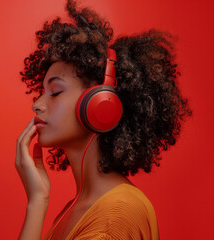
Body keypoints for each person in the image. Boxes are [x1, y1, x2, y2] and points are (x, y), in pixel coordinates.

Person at [15, 0, 192, 239]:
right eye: (41, 92)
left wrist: (36, 205)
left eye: (55, 92)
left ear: (101, 105)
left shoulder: (115, 217)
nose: (37, 104)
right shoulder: (79, 209)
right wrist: (39, 198)